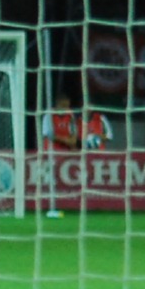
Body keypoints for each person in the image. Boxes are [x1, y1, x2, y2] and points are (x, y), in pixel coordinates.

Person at [39, 82, 111, 218]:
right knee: (51, 179)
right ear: (58, 104)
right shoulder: (49, 115)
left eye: (67, 105)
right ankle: (48, 205)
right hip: (51, 152)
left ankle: (74, 205)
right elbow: (49, 134)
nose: (65, 107)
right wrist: (67, 140)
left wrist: (71, 143)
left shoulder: (71, 116)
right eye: (63, 105)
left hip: (67, 153)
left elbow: (73, 134)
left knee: (71, 179)